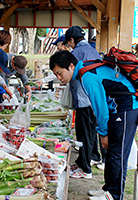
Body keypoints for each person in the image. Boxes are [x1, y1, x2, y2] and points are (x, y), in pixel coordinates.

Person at [49, 50, 138, 200]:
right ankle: (108, 189)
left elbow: (100, 108)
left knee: (118, 153)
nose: (59, 78)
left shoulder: (87, 77)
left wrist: (103, 133)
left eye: (60, 73)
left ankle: (115, 195)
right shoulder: (85, 70)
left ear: (71, 66)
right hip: (118, 107)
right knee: (111, 152)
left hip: (127, 107)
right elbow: (107, 97)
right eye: (56, 75)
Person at [63, 26, 104, 179]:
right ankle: (90, 158)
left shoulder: (75, 54)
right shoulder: (93, 50)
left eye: (69, 42)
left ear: (72, 40)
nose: (69, 45)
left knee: (84, 134)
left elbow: (71, 76)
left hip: (83, 99)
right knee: (91, 131)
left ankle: (86, 169)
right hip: (93, 98)